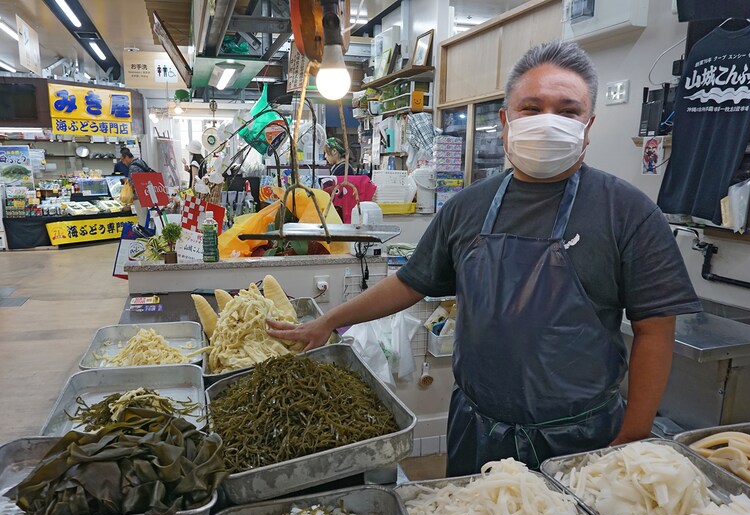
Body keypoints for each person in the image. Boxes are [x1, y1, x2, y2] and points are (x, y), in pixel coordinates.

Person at [268, 40, 703, 477]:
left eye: (567, 111)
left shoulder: (628, 212)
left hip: (581, 441)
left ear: (588, 125)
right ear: (506, 120)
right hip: (478, 432)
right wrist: (329, 321)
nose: (548, 121)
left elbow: (655, 331)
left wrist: (630, 438)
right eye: (531, 108)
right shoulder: (467, 207)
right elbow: (410, 283)